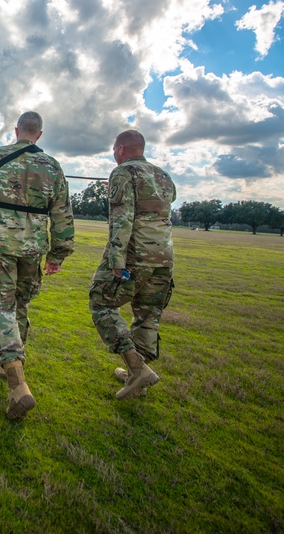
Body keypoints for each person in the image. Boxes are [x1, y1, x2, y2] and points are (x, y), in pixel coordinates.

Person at [0, 111, 74, 420]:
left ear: (17, 131)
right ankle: (10, 361)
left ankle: (17, 385)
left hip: (0, 243)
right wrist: (57, 254)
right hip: (32, 248)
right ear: (39, 135)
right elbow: (62, 215)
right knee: (20, 303)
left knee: (0, 306)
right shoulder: (52, 167)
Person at [88, 129, 176, 399]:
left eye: (115, 150)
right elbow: (160, 203)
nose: (114, 155)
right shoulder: (163, 175)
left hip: (136, 254)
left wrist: (116, 259)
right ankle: (137, 375)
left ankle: (137, 369)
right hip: (163, 256)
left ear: (122, 149)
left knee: (101, 302)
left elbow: (122, 218)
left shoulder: (122, 172)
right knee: (147, 315)